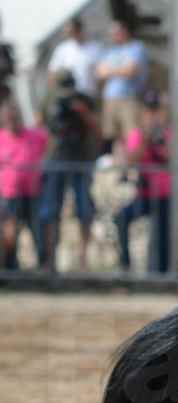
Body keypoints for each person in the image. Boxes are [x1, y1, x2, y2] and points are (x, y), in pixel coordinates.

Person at [38, 71, 99, 272]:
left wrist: (82, 112)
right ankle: (50, 261)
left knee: (84, 209)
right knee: (50, 210)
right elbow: (45, 124)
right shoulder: (49, 99)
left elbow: (97, 128)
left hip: (80, 158)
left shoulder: (84, 101)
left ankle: (83, 261)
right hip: (56, 158)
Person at [115, 92, 170, 273]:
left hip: (166, 195)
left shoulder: (170, 133)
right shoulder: (137, 135)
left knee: (163, 236)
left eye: (155, 111)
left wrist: (161, 142)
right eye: (148, 111)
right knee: (122, 218)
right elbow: (131, 160)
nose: (152, 116)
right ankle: (125, 265)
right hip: (145, 194)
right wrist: (146, 141)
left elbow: (171, 157)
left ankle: (162, 273)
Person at [0, 99, 46, 269]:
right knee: (10, 235)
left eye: (15, 117)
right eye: (9, 118)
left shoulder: (35, 136)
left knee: (38, 232)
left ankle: (44, 269)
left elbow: (48, 147)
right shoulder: (1, 138)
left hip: (33, 193)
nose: (12, 121)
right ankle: (10, 270)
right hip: (9, 195)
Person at [95, 18, 148, 150]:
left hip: (129, 98)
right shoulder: (110, 51)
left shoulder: (137, 47)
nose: (114, 35)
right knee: (112, 135)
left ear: (125, 31)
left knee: (131, 134)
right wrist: (119, 70)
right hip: (110, 98)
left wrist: (111, 71)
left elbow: (131, 71)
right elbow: (100, 72)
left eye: (117, 32)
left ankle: (132, 165)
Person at [47, 18, 99, 99]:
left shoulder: (95, 48)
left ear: (80, 30)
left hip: (90, 95)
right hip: (70, 97)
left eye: (73, 31)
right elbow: (53, 73)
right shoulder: (63, 49)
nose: (71, 35)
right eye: (69, 33)